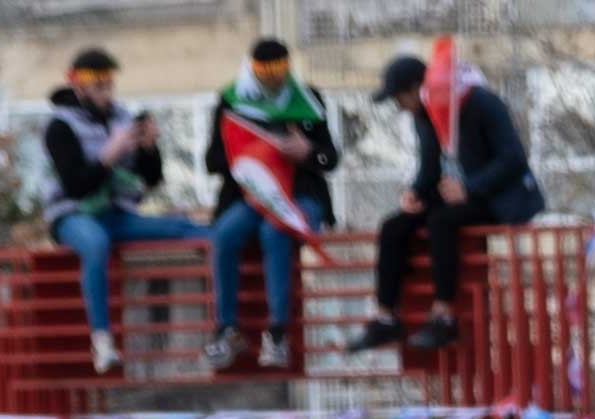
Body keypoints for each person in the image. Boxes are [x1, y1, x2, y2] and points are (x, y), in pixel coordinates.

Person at [353, 51, 546, 354]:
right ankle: (385, 317)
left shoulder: (481, 102)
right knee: (393, 226)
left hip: (497, 198)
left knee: (441, 221)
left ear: (418, 88)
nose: (400, 108)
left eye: (400, 99)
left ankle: (444, 315)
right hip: (455, 195)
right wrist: (415, 192)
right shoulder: (423, 116)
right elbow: (430, 166)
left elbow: (514, 159)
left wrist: (470, 188)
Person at [39, 50, 201, 376]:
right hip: (73, 214)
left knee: (185, 228)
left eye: (109, 84)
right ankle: (102, 339)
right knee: (96, 244)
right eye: (98, 86)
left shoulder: (121, 119)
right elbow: (76, 185)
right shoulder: (59, 126)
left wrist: (149, 147)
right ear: (80, 87)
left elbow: (151, 178)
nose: (106, 93)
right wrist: (107, 156)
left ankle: (228, 327)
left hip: (117, 213)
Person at [201, 39, 336, 371]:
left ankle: (277, 332)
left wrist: (306, 151)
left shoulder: (308, 99)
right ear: (252, 70)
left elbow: (329, 157)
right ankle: (226, 328)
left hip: (300, 193)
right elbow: (212, 159)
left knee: (276, 232)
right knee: (225, 235)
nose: (274, 78)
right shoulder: (231, 100)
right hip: (250, 194)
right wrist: (252, 155)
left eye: (280, 70)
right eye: (265, 71)